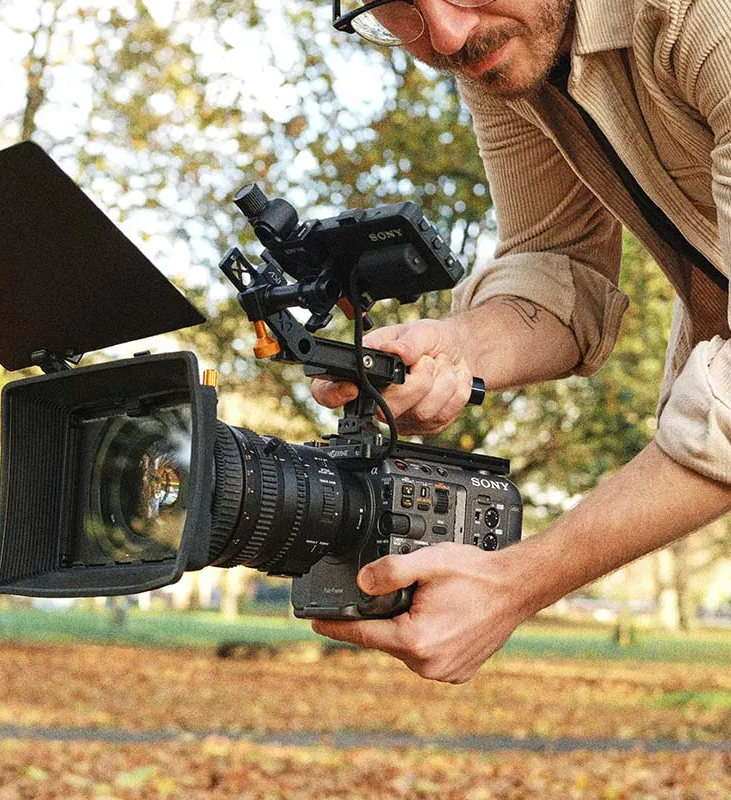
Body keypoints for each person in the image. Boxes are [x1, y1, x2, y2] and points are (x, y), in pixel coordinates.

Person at [310, 0, 731, 683]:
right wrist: (450, 345)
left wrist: (518, 582)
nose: (445, 35)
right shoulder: (500, 50)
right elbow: (559, 271)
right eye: (395, 10)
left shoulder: (701, 16)